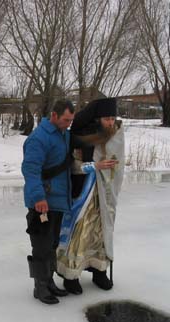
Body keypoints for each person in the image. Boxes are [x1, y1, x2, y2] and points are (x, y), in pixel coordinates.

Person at [57, 97, 125, 295]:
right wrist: (95, 166)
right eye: (106, 119)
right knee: (81, 234)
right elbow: (73, 166)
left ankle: (99, 270)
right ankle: (71, 275)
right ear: (97, 119)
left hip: (105, 193)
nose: (110, 123)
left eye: (113, 118)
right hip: (85, 194)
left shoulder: (116, 135)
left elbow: (118, 162)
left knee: (103, 233)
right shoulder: (82, 136)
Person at [21, 99, 75, 305]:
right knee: (41, 246)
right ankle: (40, 287)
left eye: (71, 120)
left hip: (58, 201)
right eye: (65, 120)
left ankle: (49, 282)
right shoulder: (39, 138)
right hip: (42, 203)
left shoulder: (64, 134)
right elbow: (30, 169)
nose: (68, 123)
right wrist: (38, 198)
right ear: (54, 116)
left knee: (52, 244)